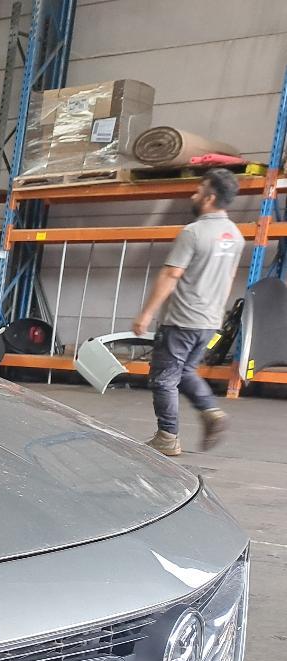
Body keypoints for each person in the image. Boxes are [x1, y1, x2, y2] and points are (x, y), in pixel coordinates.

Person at [131, 168, 244, 455]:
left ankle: (167, 436)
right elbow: (229, 278)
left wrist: (146, 314)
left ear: (210, 197)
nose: (194, 195)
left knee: (165, 377)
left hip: (182, 319)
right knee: (186, 371)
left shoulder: (193, 233)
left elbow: (171, 276)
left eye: (198, 190)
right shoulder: (235, 235)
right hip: (209, 320)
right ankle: (211, 412)